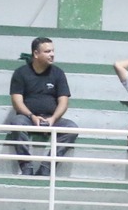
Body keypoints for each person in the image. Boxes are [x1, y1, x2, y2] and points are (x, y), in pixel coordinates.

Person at [7, 37, 78, 177]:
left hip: (52, 119)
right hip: (28, 118)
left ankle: (46, 167)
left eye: (53, 51)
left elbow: (64, 102)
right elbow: (17, 101)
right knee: (17, 123)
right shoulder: (20, 73)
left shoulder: (58, 73)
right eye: (47, 51)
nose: (52, 54)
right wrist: (32, 116)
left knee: (72, 128)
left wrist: (53, 118)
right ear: (36, 54)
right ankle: (26, 167)